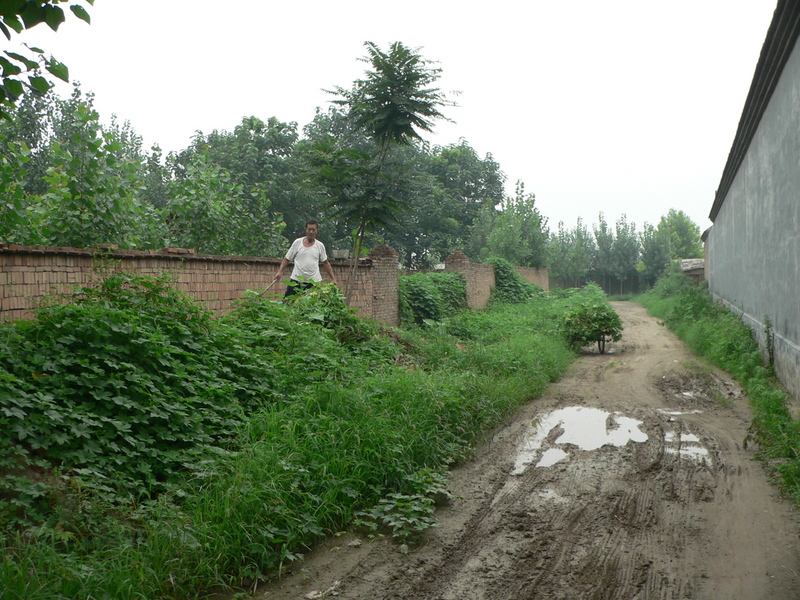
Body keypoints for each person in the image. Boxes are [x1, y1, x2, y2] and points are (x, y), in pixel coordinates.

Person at [273, 220, 338, 297]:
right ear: (305, 230)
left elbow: (325, 263)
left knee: (312, 305)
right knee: (288, 303)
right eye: (309, 229)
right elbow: (287, 258)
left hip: (314, 282)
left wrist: (333, 279)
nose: (311, 232)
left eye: (313, 230)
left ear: (317, 231)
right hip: (296, 281)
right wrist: (279, 271)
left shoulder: (320, 246)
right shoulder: (297, 243)